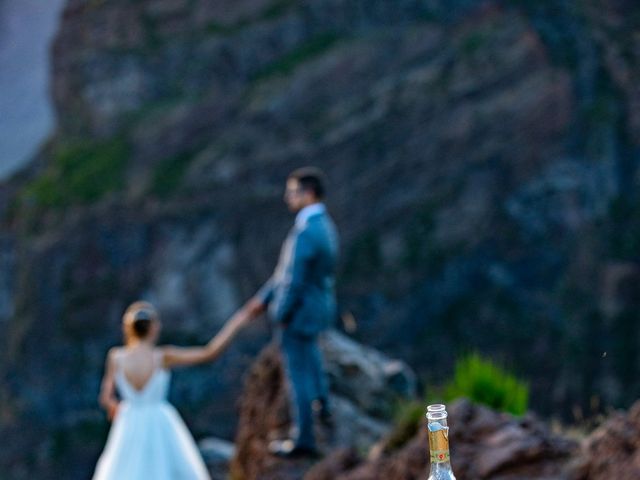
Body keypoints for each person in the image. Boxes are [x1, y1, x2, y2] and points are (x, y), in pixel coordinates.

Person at [92, 301, 248, 480]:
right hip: (160, 421)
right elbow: (209, 352)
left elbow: (106, 397)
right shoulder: (162, 356)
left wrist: (115, 408)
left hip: (128, 422)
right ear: (153, 328)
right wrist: (239, 320)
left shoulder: (116, 357)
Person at [245, 166, 339, 458]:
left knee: (297, 374)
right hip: (317, 308)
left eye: (293, 192)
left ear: (308, 194)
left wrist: (279, 312)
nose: (288, 198)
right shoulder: (325, 226)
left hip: (298, 313)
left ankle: (305, 438)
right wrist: (264, 297)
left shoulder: (307, 231)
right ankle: (323, 406)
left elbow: (293, 279)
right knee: (312, 359)